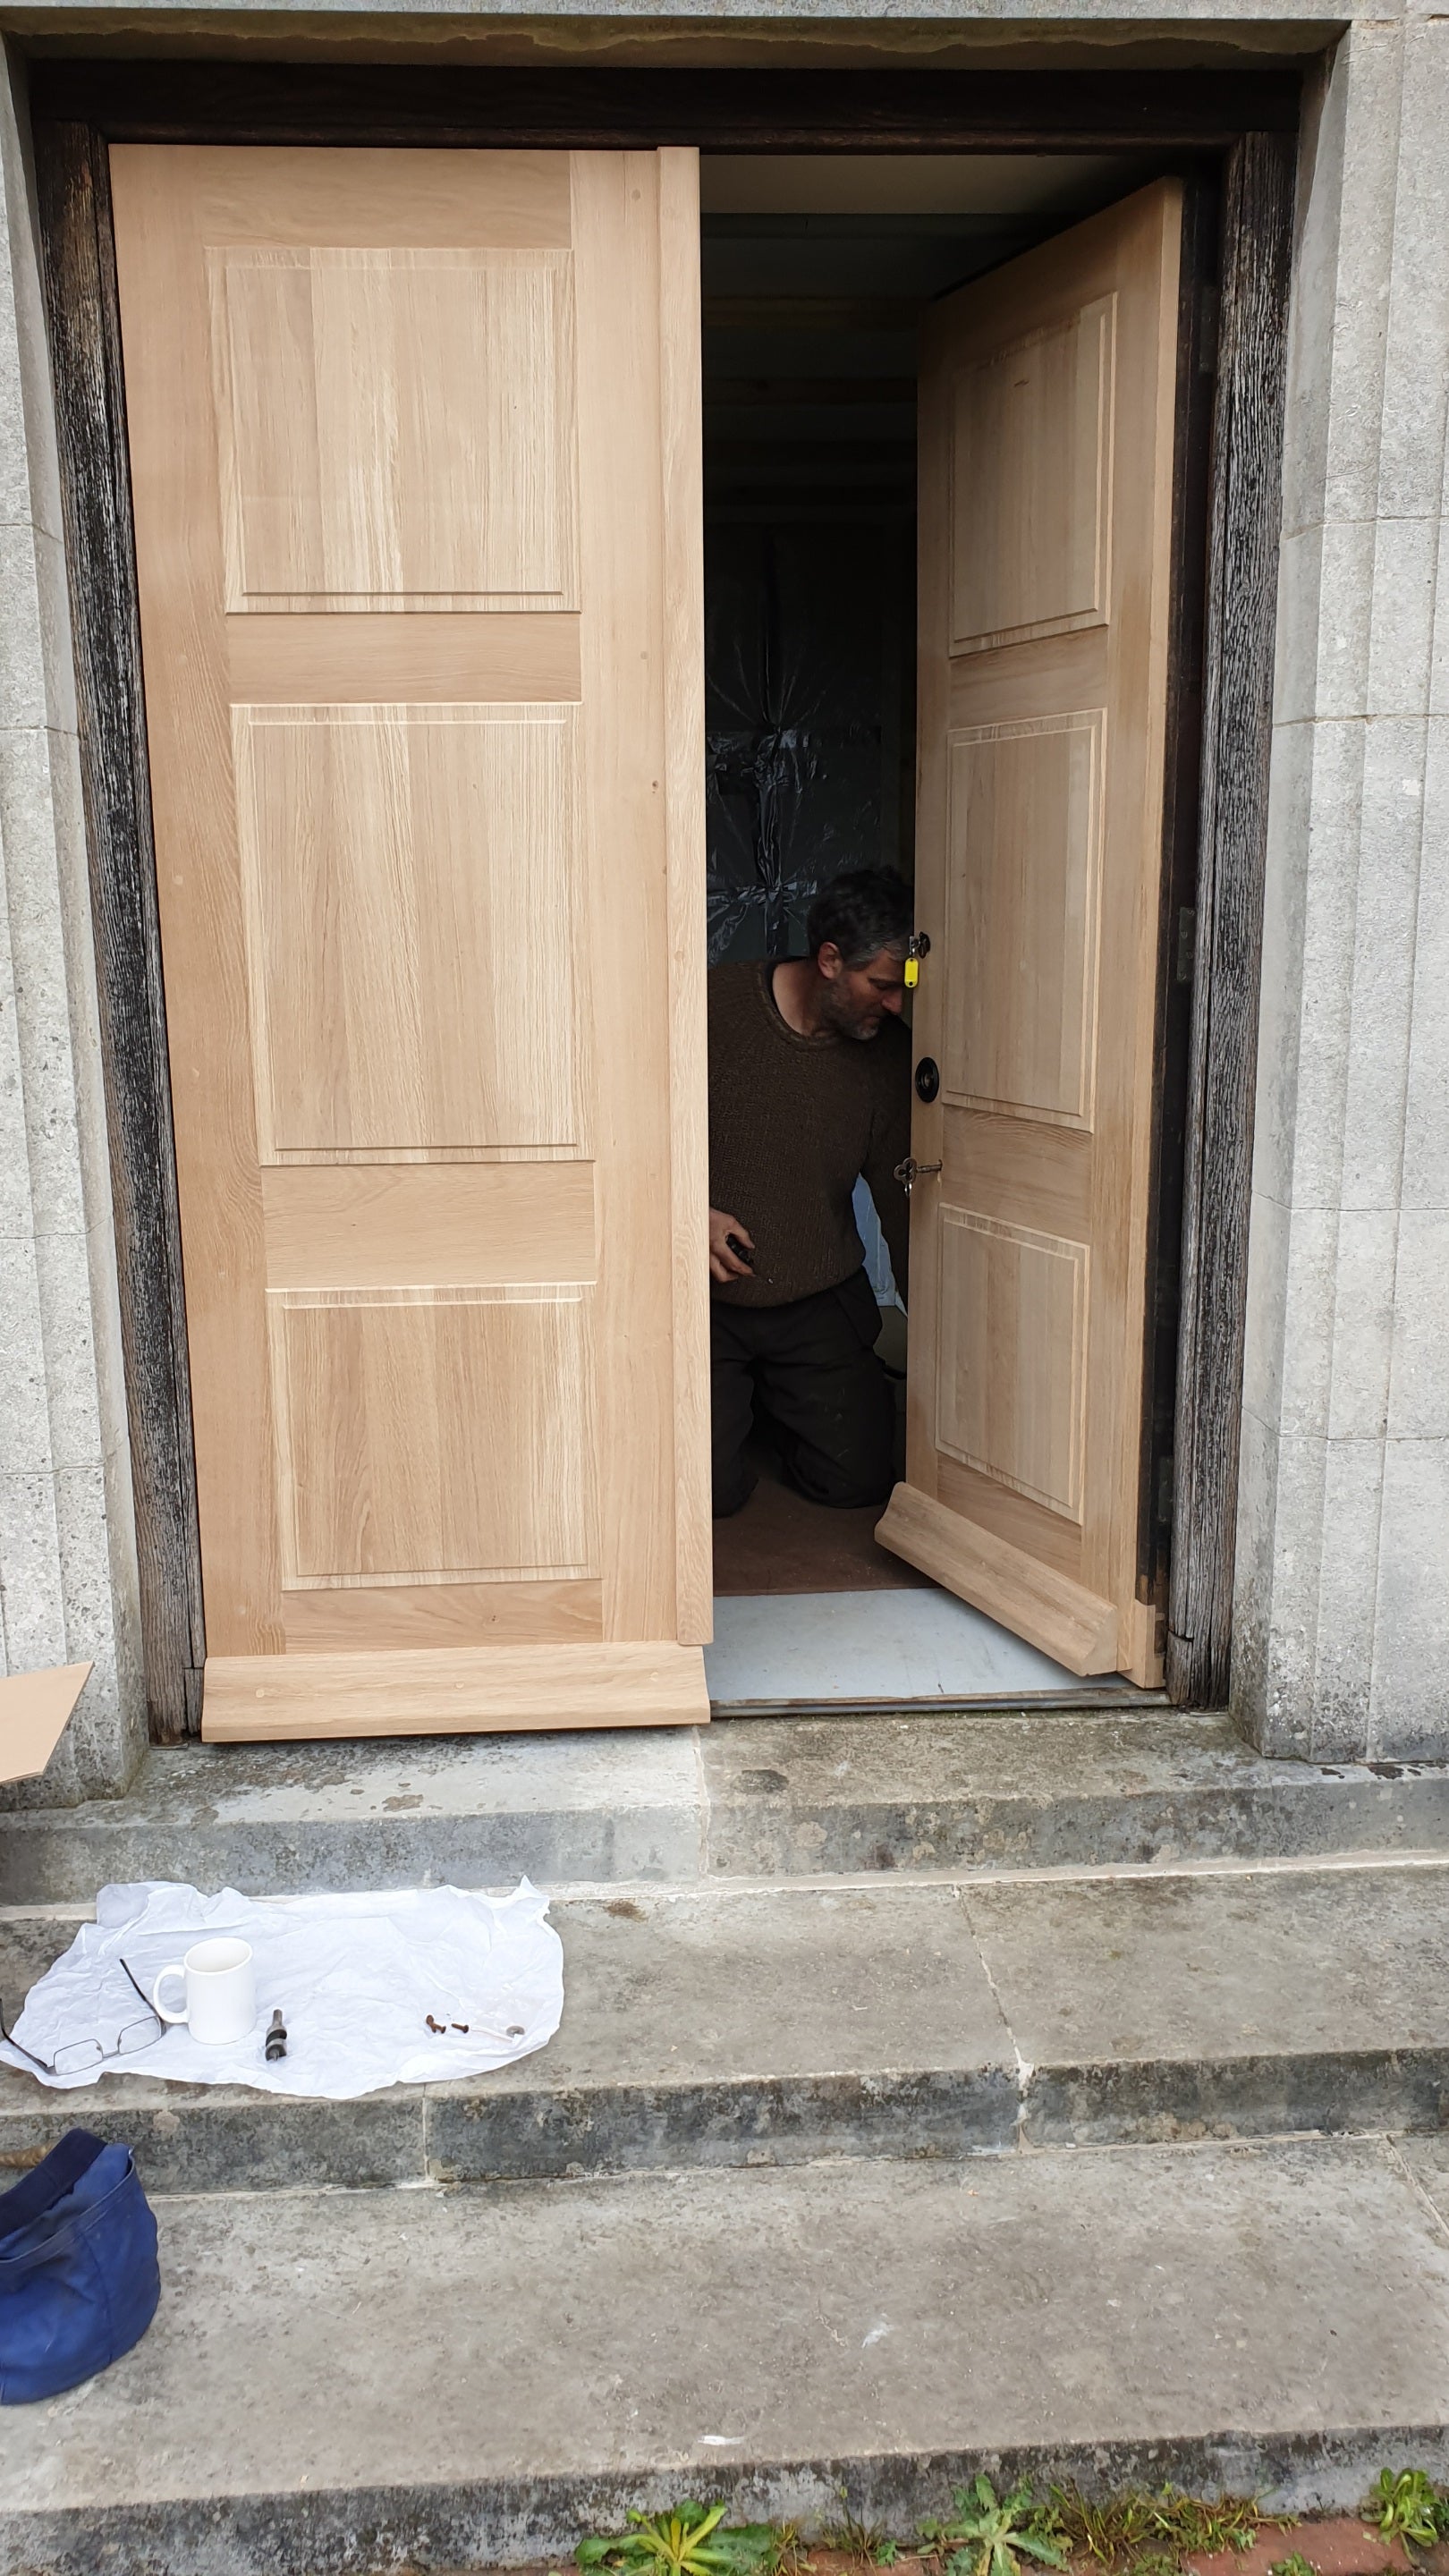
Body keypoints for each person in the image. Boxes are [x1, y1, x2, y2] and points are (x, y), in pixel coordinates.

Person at [708, 867, 913, 1520]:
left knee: (859, 1481)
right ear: (829, 960)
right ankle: (745, 1406)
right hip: (703, 1299)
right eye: (881, 985)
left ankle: (774, 1403)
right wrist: (678, 1207)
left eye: (904, 987)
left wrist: (944, 1333)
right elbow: (626, 1124)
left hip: (817, 1297)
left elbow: (902, 1200)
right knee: (702, 1494)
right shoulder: (712, 1007)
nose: (896, 1006)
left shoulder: (886, 1060)